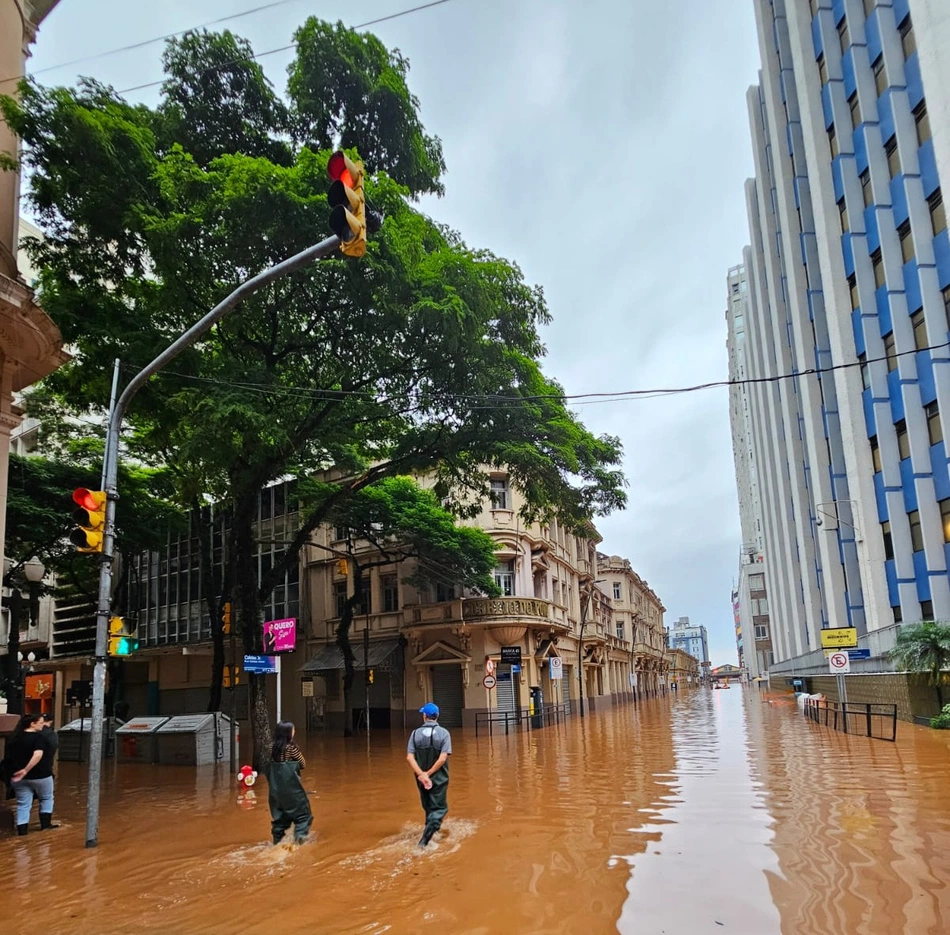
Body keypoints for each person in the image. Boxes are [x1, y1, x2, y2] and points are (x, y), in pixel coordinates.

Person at [406, 702, 452, 848]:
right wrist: (429, 774)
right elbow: (442, 758)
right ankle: (423, 843)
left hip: (420, 779)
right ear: (437, 716)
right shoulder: (444, 733)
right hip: (439, 777)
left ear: (425, 716)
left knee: (428, 806)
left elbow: (409, 757)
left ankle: (432, 831)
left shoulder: (415, 734)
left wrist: (422, 775)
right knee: (439, 809)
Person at [5, 713, 56, 836]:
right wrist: (26, 769)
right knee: (46, 798)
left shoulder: (13, 738)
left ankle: (22, 832)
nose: (42, 725)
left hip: (18, 778)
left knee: (23, 804)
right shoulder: (39, 738)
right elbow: (37, 755)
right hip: (41, 775)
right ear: (32, 724)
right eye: (40, 722)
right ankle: (45, 827)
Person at [266, 720, 312, 845]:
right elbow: (303, 764)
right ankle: (299, 843)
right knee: (303, 816)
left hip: (275, 791)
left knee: (280, 818)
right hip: (292, 789)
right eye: (293, 730)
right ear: (288, 733)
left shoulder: (271, 747)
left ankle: (277, 842)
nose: (294, 732)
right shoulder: (292, 748)